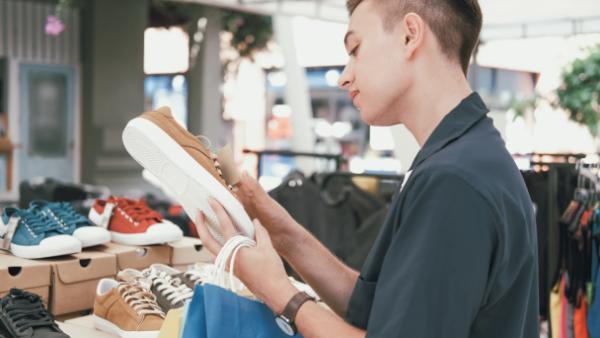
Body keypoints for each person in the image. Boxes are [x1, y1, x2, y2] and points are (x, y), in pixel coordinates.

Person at [195, 0, 539, 337]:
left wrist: (278, 291)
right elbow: (373, 308)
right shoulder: (465, 157)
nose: (345, 77)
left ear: (410, 35)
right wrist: (282, 231)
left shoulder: (453, 181)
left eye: (355, 49)